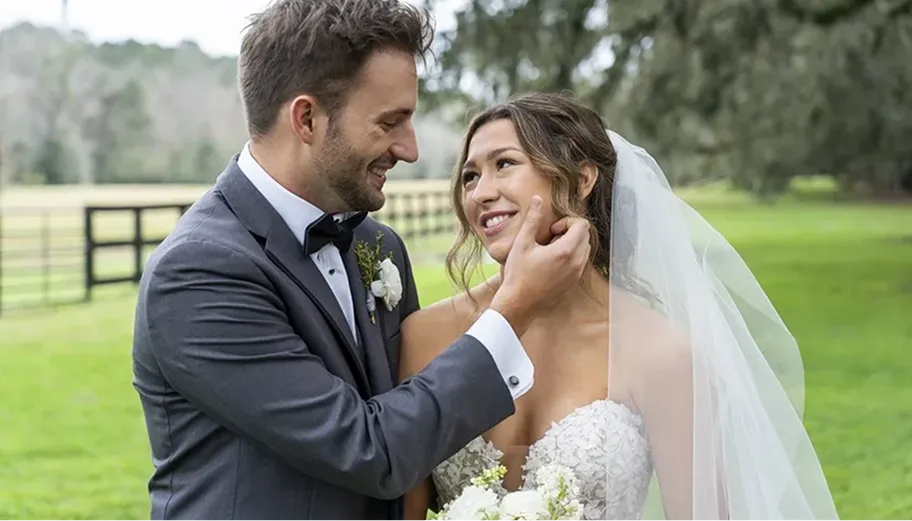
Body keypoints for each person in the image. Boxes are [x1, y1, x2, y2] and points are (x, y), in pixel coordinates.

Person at [130, 2, 593, 520]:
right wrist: (515, 307)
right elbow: (368, 450)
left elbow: (421, 435)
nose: (410, 149)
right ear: (306, 118)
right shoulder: (200, 272)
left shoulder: (380, 247)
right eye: (390, 122)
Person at [399, 92, 842, 521]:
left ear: (582, 178)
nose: (480, 193)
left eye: (505, 164)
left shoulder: (661, 351)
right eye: (470, 176)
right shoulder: (426, 335)